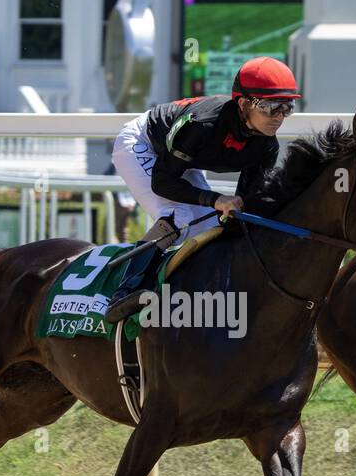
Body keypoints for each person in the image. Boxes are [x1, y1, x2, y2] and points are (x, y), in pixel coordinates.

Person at [103, 56, 300, 322]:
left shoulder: (266, 146)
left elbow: (244, 202)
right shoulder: (202, 125)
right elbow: (163, 182)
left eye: (286, 108)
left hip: (183, 159)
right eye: (269, 107)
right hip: (143, 143)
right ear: (243, 104)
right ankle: (126, 290)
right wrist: (215, 199)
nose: (278, 117)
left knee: (210, 229)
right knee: (179, 216)